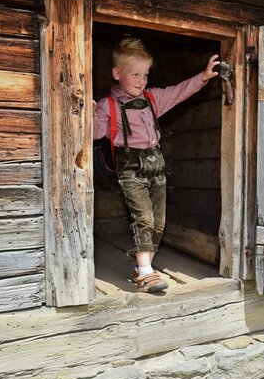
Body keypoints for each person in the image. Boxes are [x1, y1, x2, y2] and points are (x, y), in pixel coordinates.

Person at [94, 37, 219, 293]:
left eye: (145, 74)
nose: (141, 80)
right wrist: (88, 111)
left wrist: (204, 77)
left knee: (159, 223)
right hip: (130, 167)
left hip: (156, 165)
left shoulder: (153, 99)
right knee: (144, 218)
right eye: (135, 74)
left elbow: (178, 91)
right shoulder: (108, 105)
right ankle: (148, 273)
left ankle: (143, 268)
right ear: (117, 73)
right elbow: (94, 134)